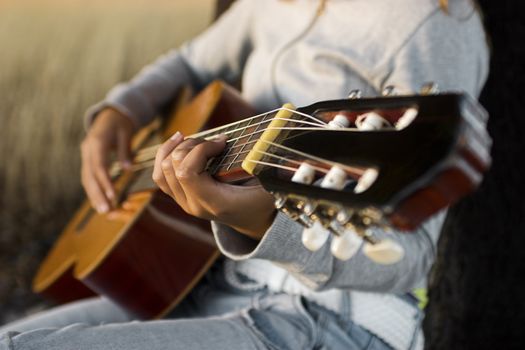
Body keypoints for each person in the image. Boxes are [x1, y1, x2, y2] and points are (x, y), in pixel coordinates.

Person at [0, 0, 488, 349]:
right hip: (211, 280)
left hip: (331, 318)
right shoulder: (273, 4)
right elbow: (191, 61)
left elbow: (411, 259)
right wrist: (120, 112)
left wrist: (266, 225)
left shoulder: (429, 23)